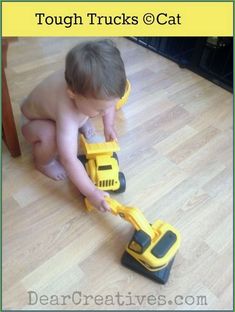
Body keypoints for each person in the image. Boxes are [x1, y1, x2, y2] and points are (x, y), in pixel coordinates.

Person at [20, 40, 126, 212]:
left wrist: (109, 126)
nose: (106, 111)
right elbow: (68, 159)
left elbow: (109, 105)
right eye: (100, 109)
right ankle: (43, 163)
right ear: (72, 94)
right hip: (32, 122)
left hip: (57, 109)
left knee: (88, 110)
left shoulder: (81, 86)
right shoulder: (67, 112)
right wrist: (91, 192)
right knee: (52, 136)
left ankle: (85, 118)